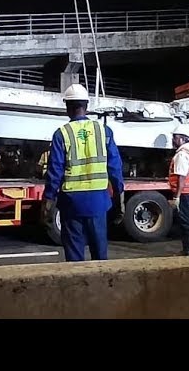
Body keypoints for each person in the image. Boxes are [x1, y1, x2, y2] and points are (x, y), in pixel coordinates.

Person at [41, 83, 124, 262]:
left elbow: (54, 172)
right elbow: (115, 167)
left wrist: (47, 203)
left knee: (74, 257)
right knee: (100, 255)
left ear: (67, 107)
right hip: (98, 202)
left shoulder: (61, 134)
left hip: (71, 204)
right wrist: (119, 194)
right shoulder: (103, 131)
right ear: (86, 106)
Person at [169, 123, 189, 256]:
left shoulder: (181, 155)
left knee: (186, 223)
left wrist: (177, 197)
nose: (173, 140)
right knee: (187, 221)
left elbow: (181, 178)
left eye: (175, 137)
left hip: (186, 193)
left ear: (182, 138)